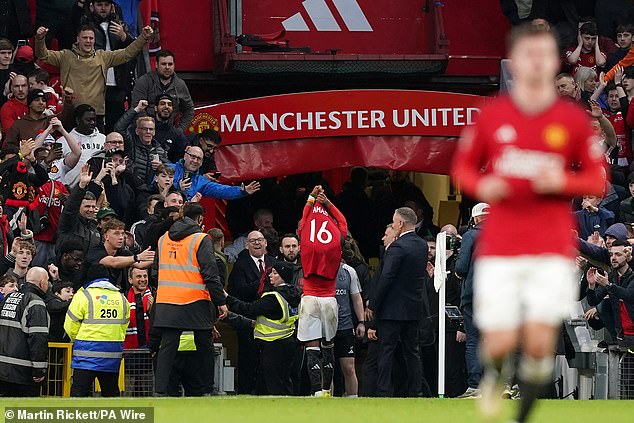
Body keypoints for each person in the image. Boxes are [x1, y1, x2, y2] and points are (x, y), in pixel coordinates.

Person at [451, 23, 605, 423]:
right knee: (498, 337)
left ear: (554, 63)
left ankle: (523, 399)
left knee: (538, 343)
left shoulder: (570, 121)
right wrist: (487, 186)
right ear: (515, 63)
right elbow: (463, 172)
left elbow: (596, 179)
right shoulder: (493, 116)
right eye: (528, 56)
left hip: (550, 241)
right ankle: (496, 376)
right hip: (502, 240)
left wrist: (563, 181)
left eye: (544, 56)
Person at [153, 203, 228, 396]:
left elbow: (155, 272)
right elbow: (211, 274)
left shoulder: (163, 239)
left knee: (168, 345)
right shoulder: (201, 239)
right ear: (201, 219)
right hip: (194, 299)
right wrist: (220, 301)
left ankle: (160, 391)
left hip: (166, 299)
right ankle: (206, 389)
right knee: (204, 343)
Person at [34, 24, 154, 129]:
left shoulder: (103, 57)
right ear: (77, 39)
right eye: (85, 38)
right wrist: (40, 38)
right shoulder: (66, 56)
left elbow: (127, 53)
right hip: (71, 113)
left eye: (91, 38)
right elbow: (43, 55)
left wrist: (143, 37)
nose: (88, 41)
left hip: (96, 114)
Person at [367, 207, 429, 397]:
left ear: (401, 223)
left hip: (392, 310)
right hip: (413, 309)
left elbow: (387, 278)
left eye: (394, 222)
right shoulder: (422, 245)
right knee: (412, 352)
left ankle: (384, 391)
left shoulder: (397, 247)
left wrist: (373, 304)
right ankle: (415, 391)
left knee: (386, 351)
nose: (393, 225)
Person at [296, 186, 348, 397]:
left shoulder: (304, 230)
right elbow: (343, 221)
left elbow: (304, 215)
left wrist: (311, 198)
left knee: (312, 346)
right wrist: (327, 203)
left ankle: (316, 391)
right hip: (328, 299)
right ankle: (327, 390)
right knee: (328, 345)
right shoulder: (337, 233)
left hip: (309, 298)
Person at [226, 261, 301, 395]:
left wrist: (227, 298)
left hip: (272, 344)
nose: (270, 275)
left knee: (272, 383)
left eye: (275, 273)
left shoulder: (273, 297)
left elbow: (248, 309)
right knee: (285, 380)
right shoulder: (294, 293)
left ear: (282, 276)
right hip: (288, 341)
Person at [64, 266, 131, 397]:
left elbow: (70, 325)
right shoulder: (122, 299)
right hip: (112, 356)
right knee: (111, 395)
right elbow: (124, 326)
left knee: (79, 393)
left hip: (85, 356)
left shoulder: (83, 296)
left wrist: (77, 340)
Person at [227, 229, 275, 394]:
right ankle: (245, 392)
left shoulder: (273, 262)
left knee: (269, 361)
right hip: (249, 321)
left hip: (272, 322)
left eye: (260, 240)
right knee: (248, 359)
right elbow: (239, 290)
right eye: (253, 241)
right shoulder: (240, 265)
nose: (257, 243)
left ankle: (267, 392)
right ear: (246, 245)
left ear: (265, 243)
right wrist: (262, 282)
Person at [455, 203, 489, 399]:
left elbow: (461, 267)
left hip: (475, 294)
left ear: (475, 219)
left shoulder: (471, 235)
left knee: (474, 340)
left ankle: (476, 385)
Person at [0, 267, 50, 397]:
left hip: (2, 370)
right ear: (42, 282)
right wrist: (39, 370)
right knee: (23, 414)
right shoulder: (36, 303)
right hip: (22, 373)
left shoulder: (8, 298)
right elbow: (38, 339)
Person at [131, 50, 194, 131]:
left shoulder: (180, 85)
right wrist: (148, 128)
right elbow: (136, 106)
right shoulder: (144, 81)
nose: (167, 67)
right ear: (156, 65)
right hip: (145, 130)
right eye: (164, 64)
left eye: (170, 64)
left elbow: (189, 109)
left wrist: (180, 130)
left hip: (170, 130)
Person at [170, 145, 260, 202]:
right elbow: (157, 187)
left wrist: (241, 191)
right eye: (193, 157)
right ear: (185, 156)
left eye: (199, 159)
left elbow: (221, 190)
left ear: (201, 163)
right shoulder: (169, 168)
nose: (195, 161)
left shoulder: (201, 182)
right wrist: (177, 187)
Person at [586, 240, 634, 344]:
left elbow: (629, 295)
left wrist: (608, 285)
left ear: (627, 255)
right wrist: (591, 285)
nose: (613, 258)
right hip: (622, 334)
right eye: (611, 254)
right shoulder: (612, 277)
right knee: (603, 304)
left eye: (618, 254)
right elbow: (593, 301)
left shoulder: (632, 275)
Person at [333, 261, 365, 397]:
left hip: (345, 327)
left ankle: (353, 399)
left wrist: (361, 322)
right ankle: (326, 402)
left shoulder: (349, 271)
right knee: (327, 369)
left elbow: (357, 298)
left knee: (349, 368)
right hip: (325, 328)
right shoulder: (317, 268)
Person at [115, 114, 169, 186]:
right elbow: (119, 128)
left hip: (150, 191)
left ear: (154, 132)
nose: (148, 132)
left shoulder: (161, 151)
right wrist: (135, 110)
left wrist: (161, 167)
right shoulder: (130, 145)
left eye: (151, 129)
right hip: (132, 187)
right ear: (137, 131)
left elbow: (169, 171)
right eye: (144, 129)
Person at [124, 268, 153, 349]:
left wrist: (152, 312)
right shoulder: (124, 298)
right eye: (139, 276)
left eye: (145, 276)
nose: (143, 279)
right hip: (129, 350)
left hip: (151, 349)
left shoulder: (155, 295)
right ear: (130, 280)